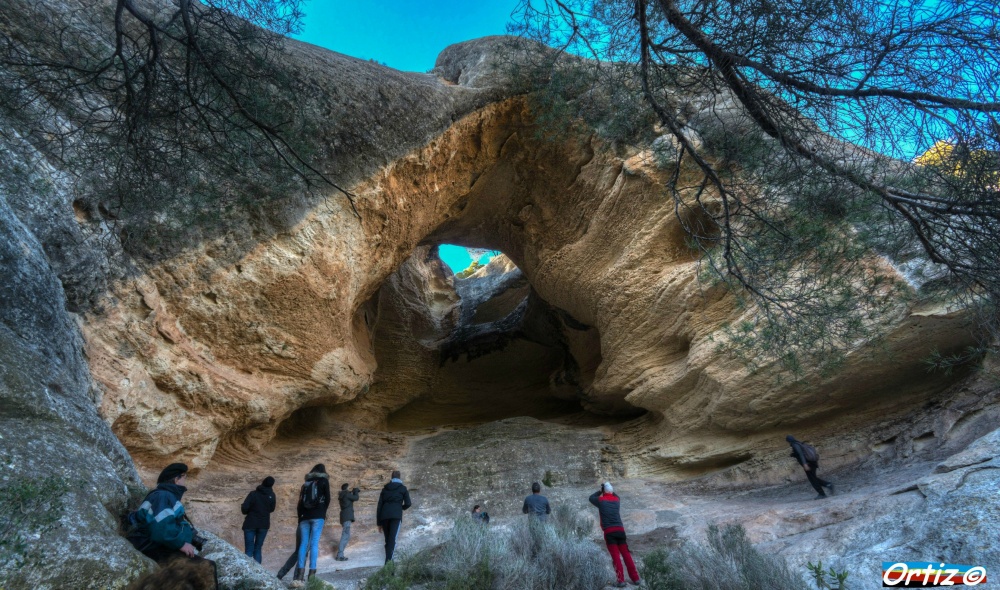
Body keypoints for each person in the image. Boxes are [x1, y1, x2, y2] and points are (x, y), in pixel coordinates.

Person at [128, 463, 218, 588]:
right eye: (184, 478)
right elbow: (161, 528)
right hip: (153, 547)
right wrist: (181, 544)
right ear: (176, 479)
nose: (185, 482)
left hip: (156, 546)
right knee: (208, 567)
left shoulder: (162, 495)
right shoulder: (164, 496)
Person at [589, 482, 641, 588]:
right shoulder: (617, 500)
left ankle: (620, 580)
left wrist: (601, 490)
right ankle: (636, 578)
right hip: (620, 531)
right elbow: (616, 495)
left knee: (615, 556)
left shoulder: (601, 500)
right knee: (626, 554)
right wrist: (608, 488)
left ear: (604, 492)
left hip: (609, 532)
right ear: (612, 492)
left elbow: (591, 498)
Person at [295, 464, 330, 582]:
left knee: (303, 544)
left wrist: (300, 517)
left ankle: (300, 575)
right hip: (318, 516)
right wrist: (323, 512)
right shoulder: (324, 481)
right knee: (314, 543)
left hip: (304, 516)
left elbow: (300, 502)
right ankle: (312, 574)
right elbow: (328, 498)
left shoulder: (306, 483)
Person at [376, 470, 412, 564]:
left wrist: (379, 523)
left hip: (384, 516)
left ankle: (389, 565)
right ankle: (388, 565)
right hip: (396, 516)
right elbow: (408, 503)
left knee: (388, 540)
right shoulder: (403, 488)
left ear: (391, 478)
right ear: (399, 477)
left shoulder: (385, 489)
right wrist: (400, 508)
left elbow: (379, 506)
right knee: (392, 540)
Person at [240, 476, 276, 564]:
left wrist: (249, 511)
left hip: (250, 523)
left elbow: (245, 508)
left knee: (249, 549)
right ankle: (258, 574)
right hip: (263, 524)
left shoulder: (253, 494)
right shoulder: (272, 495)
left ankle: (247, 572)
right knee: (258, 548)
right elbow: (272, 509)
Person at [786, 435, 834, 499]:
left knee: (813, 480)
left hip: (808, 464)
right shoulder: (799, 443)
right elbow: (801, 453)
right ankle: (828, 484)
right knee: (813, 478)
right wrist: (794, 455)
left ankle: (822, 494)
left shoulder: (795, 445)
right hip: (812, 463)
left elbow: (801, 454)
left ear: (788, 441)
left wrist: (805, 464)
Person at [336, 483, 360, 561]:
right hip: (347, 516)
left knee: (346, 535)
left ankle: (340, 554)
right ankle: (340, 555)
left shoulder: (342, 495)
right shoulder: (346, 494)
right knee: (345, 535)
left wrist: (352, 492)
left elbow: (349, 499)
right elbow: (356, 498)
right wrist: (355, 491)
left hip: (344, 516)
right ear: (346, 488)